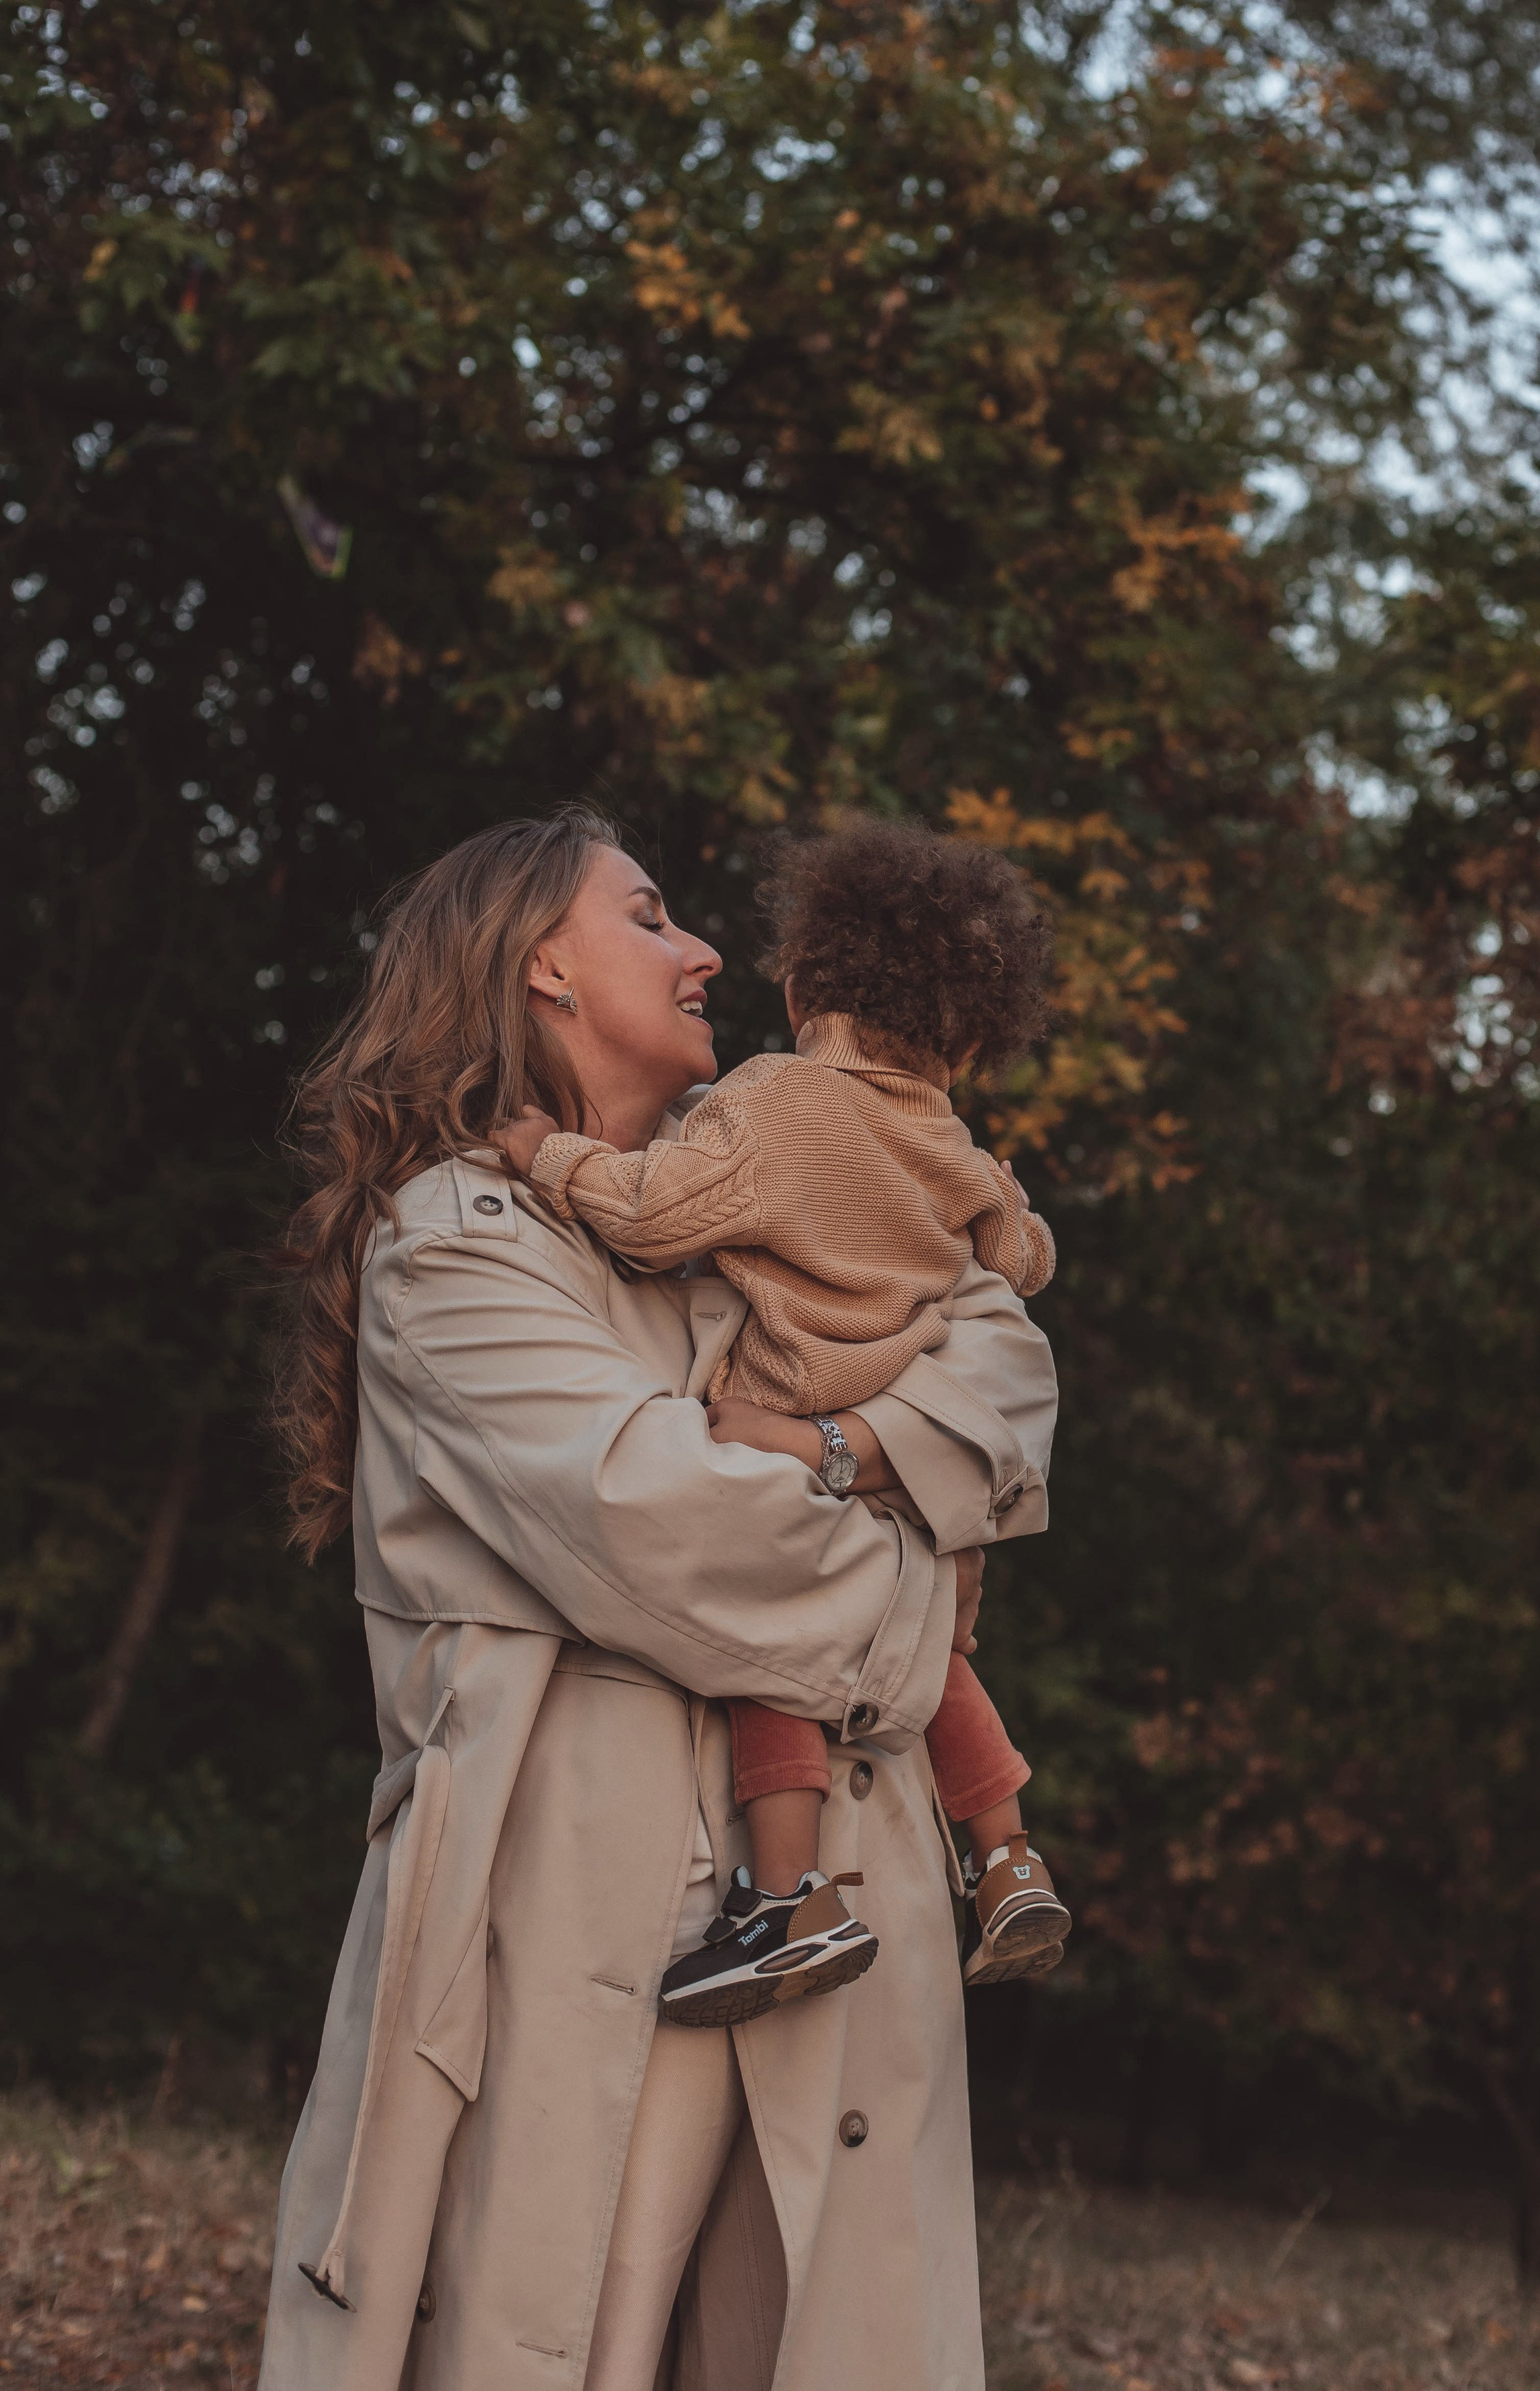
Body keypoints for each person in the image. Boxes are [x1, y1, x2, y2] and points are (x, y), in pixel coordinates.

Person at [257, 806, 1057, 2391]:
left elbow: (1012, 1361)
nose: (705, 955)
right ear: (539, 966)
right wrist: (916, 1546)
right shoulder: (461, 1249)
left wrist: (832, 1444)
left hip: (839, 1918)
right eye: (651, 917)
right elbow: (686, 1539)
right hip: (581, 1938)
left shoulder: (767, 1206)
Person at [498, 818, 1071, 2026]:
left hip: (784, 1416)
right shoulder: (951, 1144)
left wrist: (549, 1159)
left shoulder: (772, 1099)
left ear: (809, 981)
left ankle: (787, 1897)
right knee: (944, 1650)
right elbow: (1021, 1262)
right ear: (968, 1034)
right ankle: (1011, 1855)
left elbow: (662, 1214)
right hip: (907, 1450)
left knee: (781, 1669)